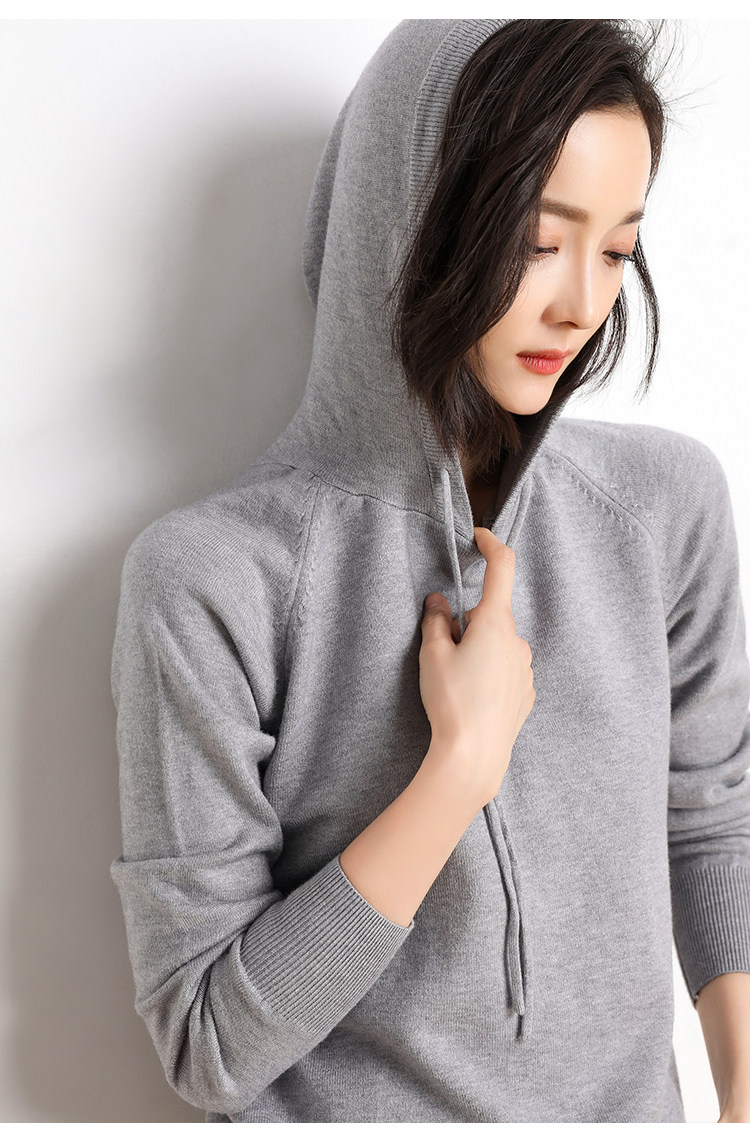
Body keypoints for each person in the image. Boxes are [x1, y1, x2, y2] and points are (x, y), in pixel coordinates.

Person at [109, 19, 750, 1123]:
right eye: (539, 241)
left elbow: (712, 819)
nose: (581, 304)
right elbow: (206, 1042)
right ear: (407, 224)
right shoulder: (210, 580)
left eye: (616, 250)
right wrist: (459, 768)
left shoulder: (663, 507)